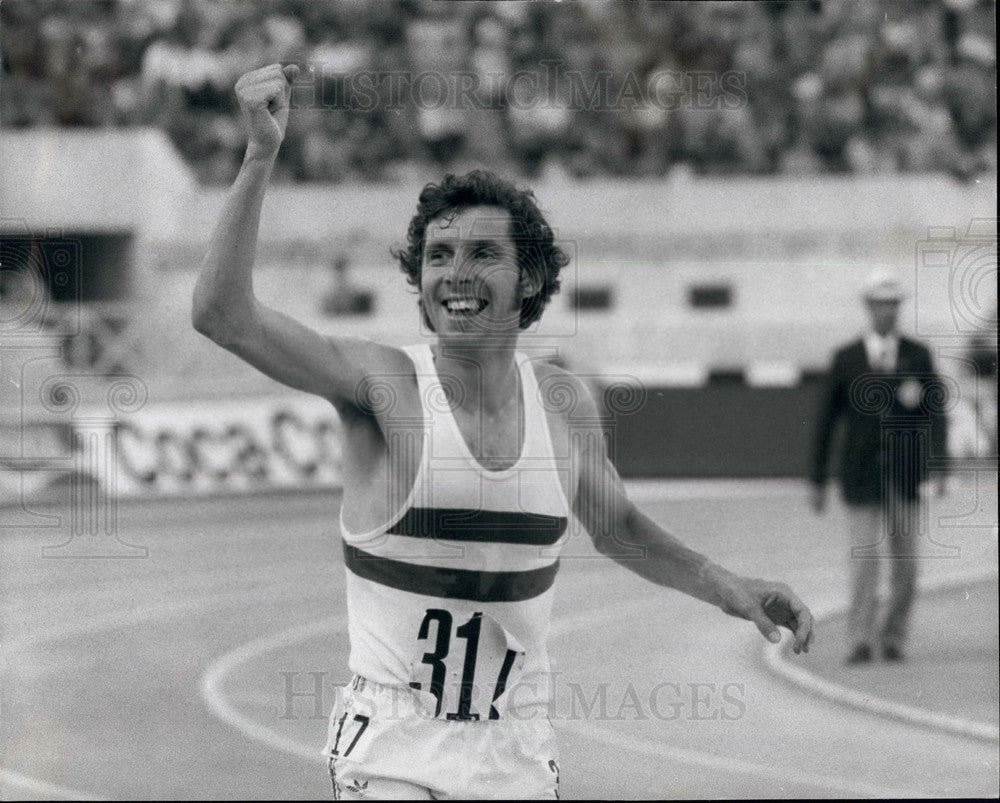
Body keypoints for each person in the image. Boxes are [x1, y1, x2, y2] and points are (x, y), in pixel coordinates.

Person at [193, 63, 814, 800]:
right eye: (438, 256)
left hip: (515, 748)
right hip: (392, 746)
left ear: (529, 278)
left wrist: (727, 584)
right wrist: (260, 156)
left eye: (483, 253)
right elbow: (223, 314)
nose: (456, 274)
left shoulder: (562, 399)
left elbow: (618, 528)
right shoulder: (386, 385)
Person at [810, 271, 949, 666]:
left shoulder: (916, 356)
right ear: (868, 307)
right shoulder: (847, 358)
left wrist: (938, 464)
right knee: (865, 560)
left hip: (904, 477)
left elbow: (934, 412)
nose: (888, 311)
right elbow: (825, 422)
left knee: (907, 565)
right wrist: (818, 479)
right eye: (881, 303)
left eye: (894, 304)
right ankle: (859, 637)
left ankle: (894, 636)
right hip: (861, 475)